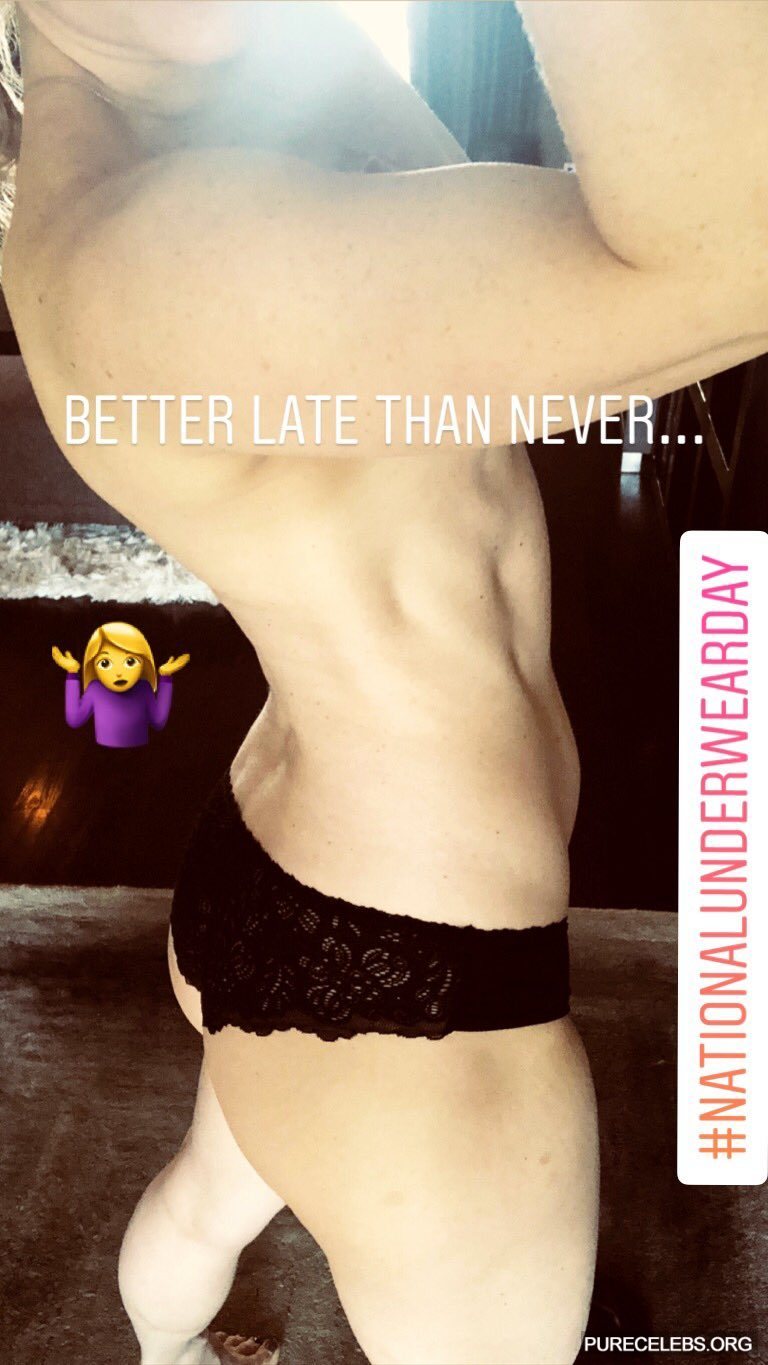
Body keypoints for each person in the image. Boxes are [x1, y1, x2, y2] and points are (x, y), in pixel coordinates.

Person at [2, 2, 767, 1362]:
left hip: (281, 869)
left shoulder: (247, 81)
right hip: (416, 996)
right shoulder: (134, 262)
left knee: (212, 1195)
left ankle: (167, 1354)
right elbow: (731, 254)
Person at [52, 620, 189, 747]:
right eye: (105, 663)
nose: (119, 672)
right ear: (93, 666)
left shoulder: (144, 688)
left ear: (144, 663)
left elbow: (159, 722)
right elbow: (74, 719)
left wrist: (165, 676)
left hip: (141, 755)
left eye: (130, 662)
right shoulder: (95, 689)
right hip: (101, 755)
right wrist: (72, 673)